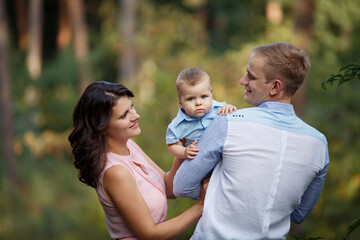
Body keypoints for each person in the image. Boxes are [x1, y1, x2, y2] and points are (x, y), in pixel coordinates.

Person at [173, 42, 329, 239]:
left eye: (251, 76)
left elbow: (181, 185)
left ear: (275, 87)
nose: (242, 80)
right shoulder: (319, 145)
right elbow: (299, 214)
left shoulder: (228, 123)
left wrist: (223, 193)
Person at [68, 81, 209, 240]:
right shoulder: (116, 172)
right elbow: (150, 234)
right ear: (102, 127)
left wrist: (183, 148)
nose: (136, 116)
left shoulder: (129, 145)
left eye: (132, 107)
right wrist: (201, 207)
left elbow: (168, 188)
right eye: (124, 115)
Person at [166, 67, 236, 160]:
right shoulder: (178, 125)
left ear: (211, 95)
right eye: (190, 99)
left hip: (223, 155)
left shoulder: (220, 109)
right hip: (199, 160)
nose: (198, 103)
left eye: (203, 96)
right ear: (180, 103)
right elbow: (172, 144)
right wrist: (183, 151)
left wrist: (230, 108)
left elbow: (233, 121)